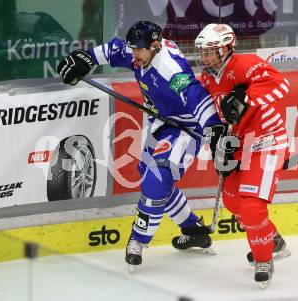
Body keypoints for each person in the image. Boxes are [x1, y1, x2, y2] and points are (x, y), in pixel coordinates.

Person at [56, 21, 223, 269]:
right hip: (159, 123)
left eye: (138, 50)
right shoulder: (141, 51)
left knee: (157, 178)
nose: (133, 54)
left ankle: (138, 239)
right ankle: (192, 228)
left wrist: (214, 128)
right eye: (132, 48)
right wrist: (86, 58)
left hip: (185, 129)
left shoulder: (170, 68)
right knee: (147, 175)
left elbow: (196, 96)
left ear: (155, 46)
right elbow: (114, 50)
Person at [194, 23, 291, 288]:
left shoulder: (243, 64)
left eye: (211, 52)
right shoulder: (207, 78)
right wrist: (216, 139)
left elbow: (282, 84)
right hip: (237, 143)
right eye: (202, 52)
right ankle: (275, 242)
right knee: (234, 202)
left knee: (251, 206)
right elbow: (213, 115)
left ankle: (264, 259)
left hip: (266, 138)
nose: (205, 57)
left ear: (226, 49)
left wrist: (245, 97)